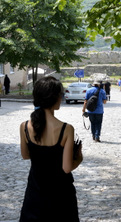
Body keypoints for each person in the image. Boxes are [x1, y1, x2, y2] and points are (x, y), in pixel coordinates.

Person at [19, 77, 82, 221]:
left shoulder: (24, 126)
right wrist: (79, 158)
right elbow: (66, 168)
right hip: (61, 195)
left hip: (35, 193)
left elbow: (25, 155)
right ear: (55, 98)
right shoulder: (66, 129)